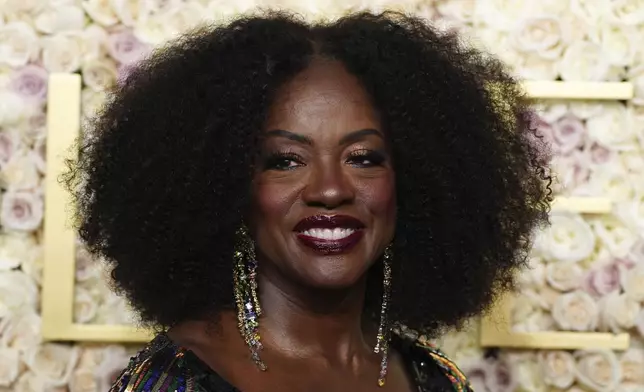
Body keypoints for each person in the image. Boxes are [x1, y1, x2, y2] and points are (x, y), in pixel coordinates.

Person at [64, 10, 551, 392]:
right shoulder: (176, 382)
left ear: (416, 183)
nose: (330, 189)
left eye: (362, 157)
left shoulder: (436, 379)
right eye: (285, 160)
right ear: (227, 186)